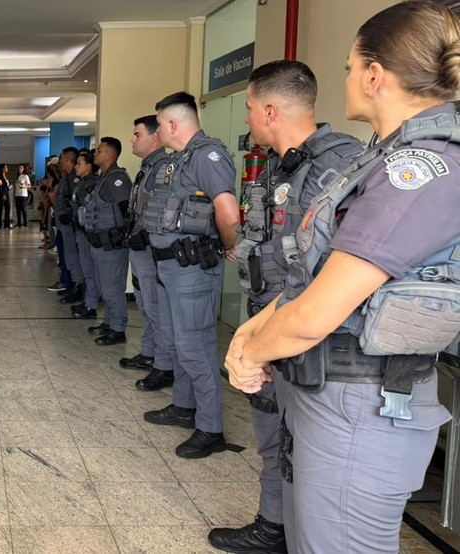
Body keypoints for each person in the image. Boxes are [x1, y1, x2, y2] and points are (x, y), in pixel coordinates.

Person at [226, 2, 459, 551]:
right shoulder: (382, 159)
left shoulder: (419, 170)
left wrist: (251, 352)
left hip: (362, 403)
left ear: (375, 75)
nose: (348, 79)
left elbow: (316, 313)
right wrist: (249, 332)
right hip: (332, 393)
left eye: (351, 67)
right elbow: (309, 276)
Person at [209, 61, 363, 553]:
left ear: (270, 109)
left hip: (306, 330)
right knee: (272, 431)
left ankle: (291, 531)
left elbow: (333, 271)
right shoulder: (279, 164)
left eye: (251, 108)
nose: (248, 118)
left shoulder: (338, 166)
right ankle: (274, 524)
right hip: (268, 319)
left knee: (305, 447)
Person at [141, 91, 239, 459]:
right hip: (169, 267)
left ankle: (210, 428)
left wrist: (229, 244)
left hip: (192, 269)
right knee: (179, 342)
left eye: (160, 125)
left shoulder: (208, 156)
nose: (157, 132)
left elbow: (228, 214)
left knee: (196, 347)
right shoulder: (179, 160)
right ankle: (184, 408)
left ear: (171, 124)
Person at [118, 116, 172, 383]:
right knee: (144, 303)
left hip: (151, 249)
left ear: (154, 137)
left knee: (154, 305)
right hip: (139, 246)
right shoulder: (148, 168)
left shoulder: (164, 169)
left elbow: (163, 214)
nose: (133, 139)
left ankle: (164, 364)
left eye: (137, 134)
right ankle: (149, 353)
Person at [82, 138, 133, 346]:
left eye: (99, 151)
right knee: (105, 287)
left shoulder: (116, 179)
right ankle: (109, 322)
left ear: (110, 155)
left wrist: (125, 236)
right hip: (99, 243)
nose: (95, 153)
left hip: (112, 245)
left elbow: (126, 210)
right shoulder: (104, 178)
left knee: (112, 289)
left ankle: (118, 329)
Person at [71, 149, 102, 320]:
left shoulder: (91, 183)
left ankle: (91, 305)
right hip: (80, 231)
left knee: (90, 270)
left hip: (87, 232)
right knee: (86, 269)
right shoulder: (82, 182)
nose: (76, 167)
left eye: (80, 164)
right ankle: (88, 301)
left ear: (89, 166)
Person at [55, 148, 85, 304]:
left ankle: (77, 287)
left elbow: (75, 202)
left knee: (73, 258)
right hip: (64, 225)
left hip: (71, 226)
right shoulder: (66, 177)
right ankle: (73, 285)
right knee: (68, 257)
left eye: (62, 159)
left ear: (67, 160)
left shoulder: (74, 179)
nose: (60, 162)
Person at [13, 163, 30, 227]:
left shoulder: (25, 176)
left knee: (23, 209)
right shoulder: (18, 176)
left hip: (23, 195)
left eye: (21, 168)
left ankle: (25, 223)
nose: (19, 169)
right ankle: (19, 223)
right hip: (17, 194)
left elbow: (29, 185)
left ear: (23, 169)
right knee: (18, 209)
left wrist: (24, 187)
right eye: (19, 168)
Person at [0, 164, 12, 228]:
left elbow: (6, 187)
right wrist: (3, 194)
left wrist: (9, 188)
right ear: (2, 169)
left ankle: (7, 224)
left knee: (8, 208)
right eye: (5, 167)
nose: (7, 168)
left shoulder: (5, 176)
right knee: (0, 209)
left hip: (6, 194)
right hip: (1, 195)